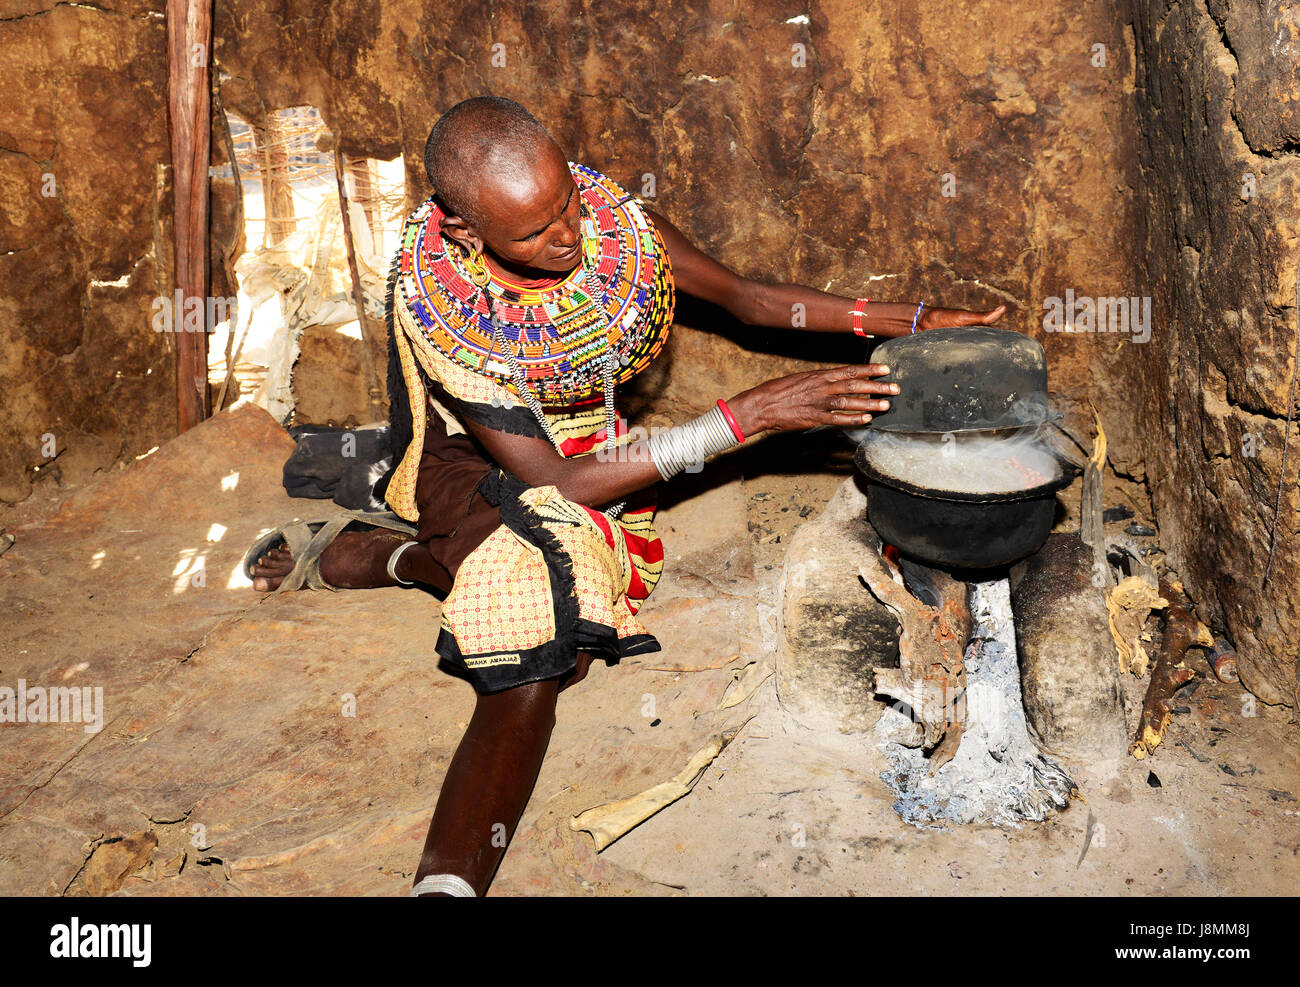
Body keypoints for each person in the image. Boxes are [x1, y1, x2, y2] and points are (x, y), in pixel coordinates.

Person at [248, 96, 1006, 896]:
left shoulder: (610, 226)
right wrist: (749, 416)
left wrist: (911, 317)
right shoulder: (445, 305)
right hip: (482, 467)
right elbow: (556, 486)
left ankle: (403, 559)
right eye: (536, 233)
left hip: (591, 455)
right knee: (533, 658)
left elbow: (748, 298)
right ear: (469, 232)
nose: (568, 236)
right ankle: (445, 881)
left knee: (568, 637)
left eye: (565, 203)